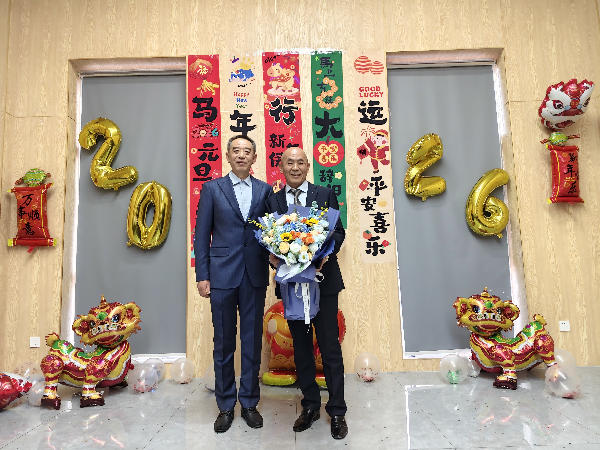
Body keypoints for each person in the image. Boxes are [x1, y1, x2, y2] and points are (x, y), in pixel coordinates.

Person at [265, 146, 348, 440]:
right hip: (291, 286)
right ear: (281, 167)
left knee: (329, 345)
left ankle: (337, 411)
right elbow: (268, 239)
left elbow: (338, 233)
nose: (295, 167)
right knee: (301, 347)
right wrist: (274, 259)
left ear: (307, 166)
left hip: (323, 282)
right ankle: (310, 405)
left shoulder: (324, 194)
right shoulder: (272, 200)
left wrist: (323, 255)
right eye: (290, 163)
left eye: (300, 162)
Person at [194, 135, 272, 433]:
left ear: (254, 158)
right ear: (227, 156)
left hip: (254, 274)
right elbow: (202, 235)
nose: (241, 155)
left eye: (247, 151)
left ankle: (249, 403)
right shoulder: (212, 189)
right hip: (221, 274)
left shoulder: (265, 190)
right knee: (224, 342)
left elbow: (271, 231)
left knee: (252, 342)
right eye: (236, 151)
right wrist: (203, 275)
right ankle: (226, 405)